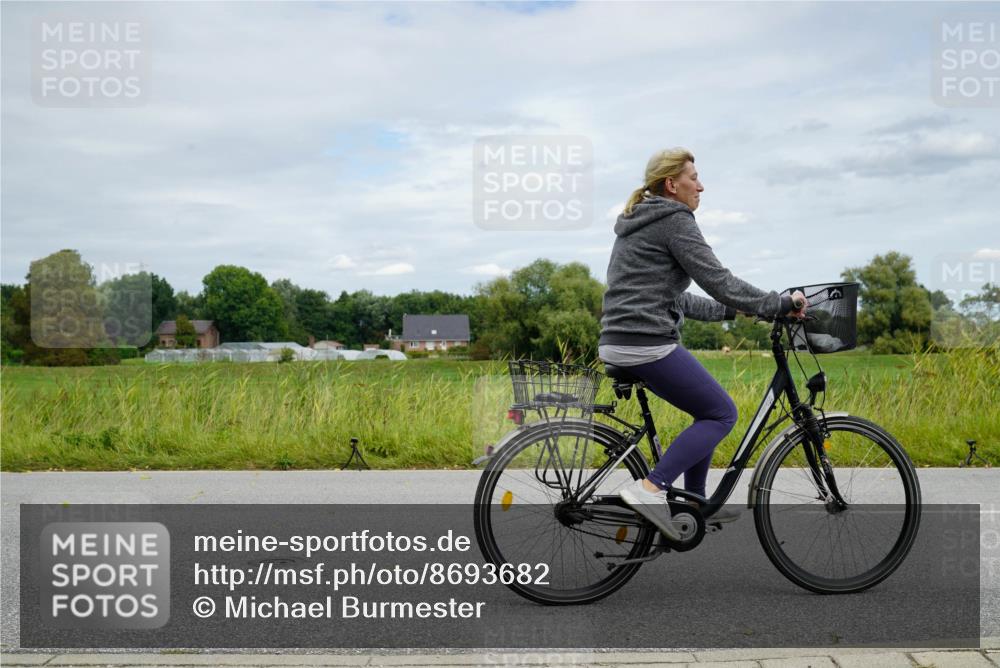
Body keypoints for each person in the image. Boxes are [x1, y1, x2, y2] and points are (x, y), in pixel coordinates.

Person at [599, 147, 806, 540]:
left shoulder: (639, 221)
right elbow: (719, 280)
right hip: (645, 340)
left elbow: (679, 299)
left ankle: (692, 505)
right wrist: (777, 303)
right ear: (671, 184)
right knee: (721, 414)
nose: (702, 185)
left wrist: (739, 312)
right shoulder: (674, 220)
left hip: (620, 338)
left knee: (705, 410)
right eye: (694, 177)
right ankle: (650, 489)